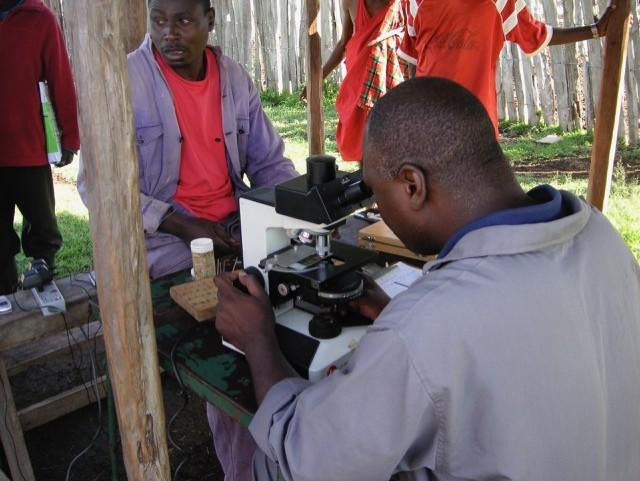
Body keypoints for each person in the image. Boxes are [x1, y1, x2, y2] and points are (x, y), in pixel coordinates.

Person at [213, 77, 640, 481]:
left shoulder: (426, 326)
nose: (378, 208)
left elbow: (309, 457)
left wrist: (257, 340)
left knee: (269, 465)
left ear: (412, 186)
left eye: (376, 193)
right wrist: (398, 318)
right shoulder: (598, 234)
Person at [77, 1, 296, 480]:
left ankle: (293, 444)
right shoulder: (126, 80)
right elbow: (96, 183)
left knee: (296, 311)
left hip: (233, 229)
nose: (169, 34)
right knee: (231, 357)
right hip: (163, 241)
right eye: (159, 20)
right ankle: (245, 468)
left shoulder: (234, 78)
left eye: (183, 21)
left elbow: (270, 164)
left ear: (209, 20)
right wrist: (180, 223)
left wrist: (294, 213)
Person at [398, 0, 615, 136]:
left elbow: (537, 35)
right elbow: (413, 60)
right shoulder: (415, 2)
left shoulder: (500, 3)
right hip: (430, 119)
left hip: (473, 120)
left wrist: (595, 30)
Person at [0, 0, 80, 295]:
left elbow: (61, 78)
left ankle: (43, 276)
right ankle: (6, 292)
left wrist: (70, 137)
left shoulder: (40, 18)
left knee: (42, 225)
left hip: (28, 148)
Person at [303, 0, 408, 162]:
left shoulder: (398, 3)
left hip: (391, 74)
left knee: (392, 134)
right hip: (358, 79)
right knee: (360, 137)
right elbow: (344, 42)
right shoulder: (350, 2)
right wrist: (318, 78)